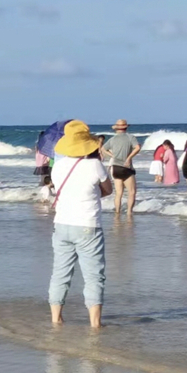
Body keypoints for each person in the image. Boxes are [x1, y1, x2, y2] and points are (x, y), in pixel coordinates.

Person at [48, 121, 112, 329]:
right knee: (94, 276)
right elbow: (108, 189)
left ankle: (56, 318)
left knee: (60, 273)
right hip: (87, 225)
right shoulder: (94, 165)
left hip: (62, 224)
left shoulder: (58, 166)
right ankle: (95, 323)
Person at [101, 119, 141, 214]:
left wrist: (112, 155)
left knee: (118, 193)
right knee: (131, 192)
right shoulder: (130, 137)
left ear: (116, 128)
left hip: (115, 167)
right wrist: (129, 157)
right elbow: (138, 147)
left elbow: (103, 149)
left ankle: (117, 212)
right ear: (126, 127)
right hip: (126, 167)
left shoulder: (112, 139)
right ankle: (129, 212)